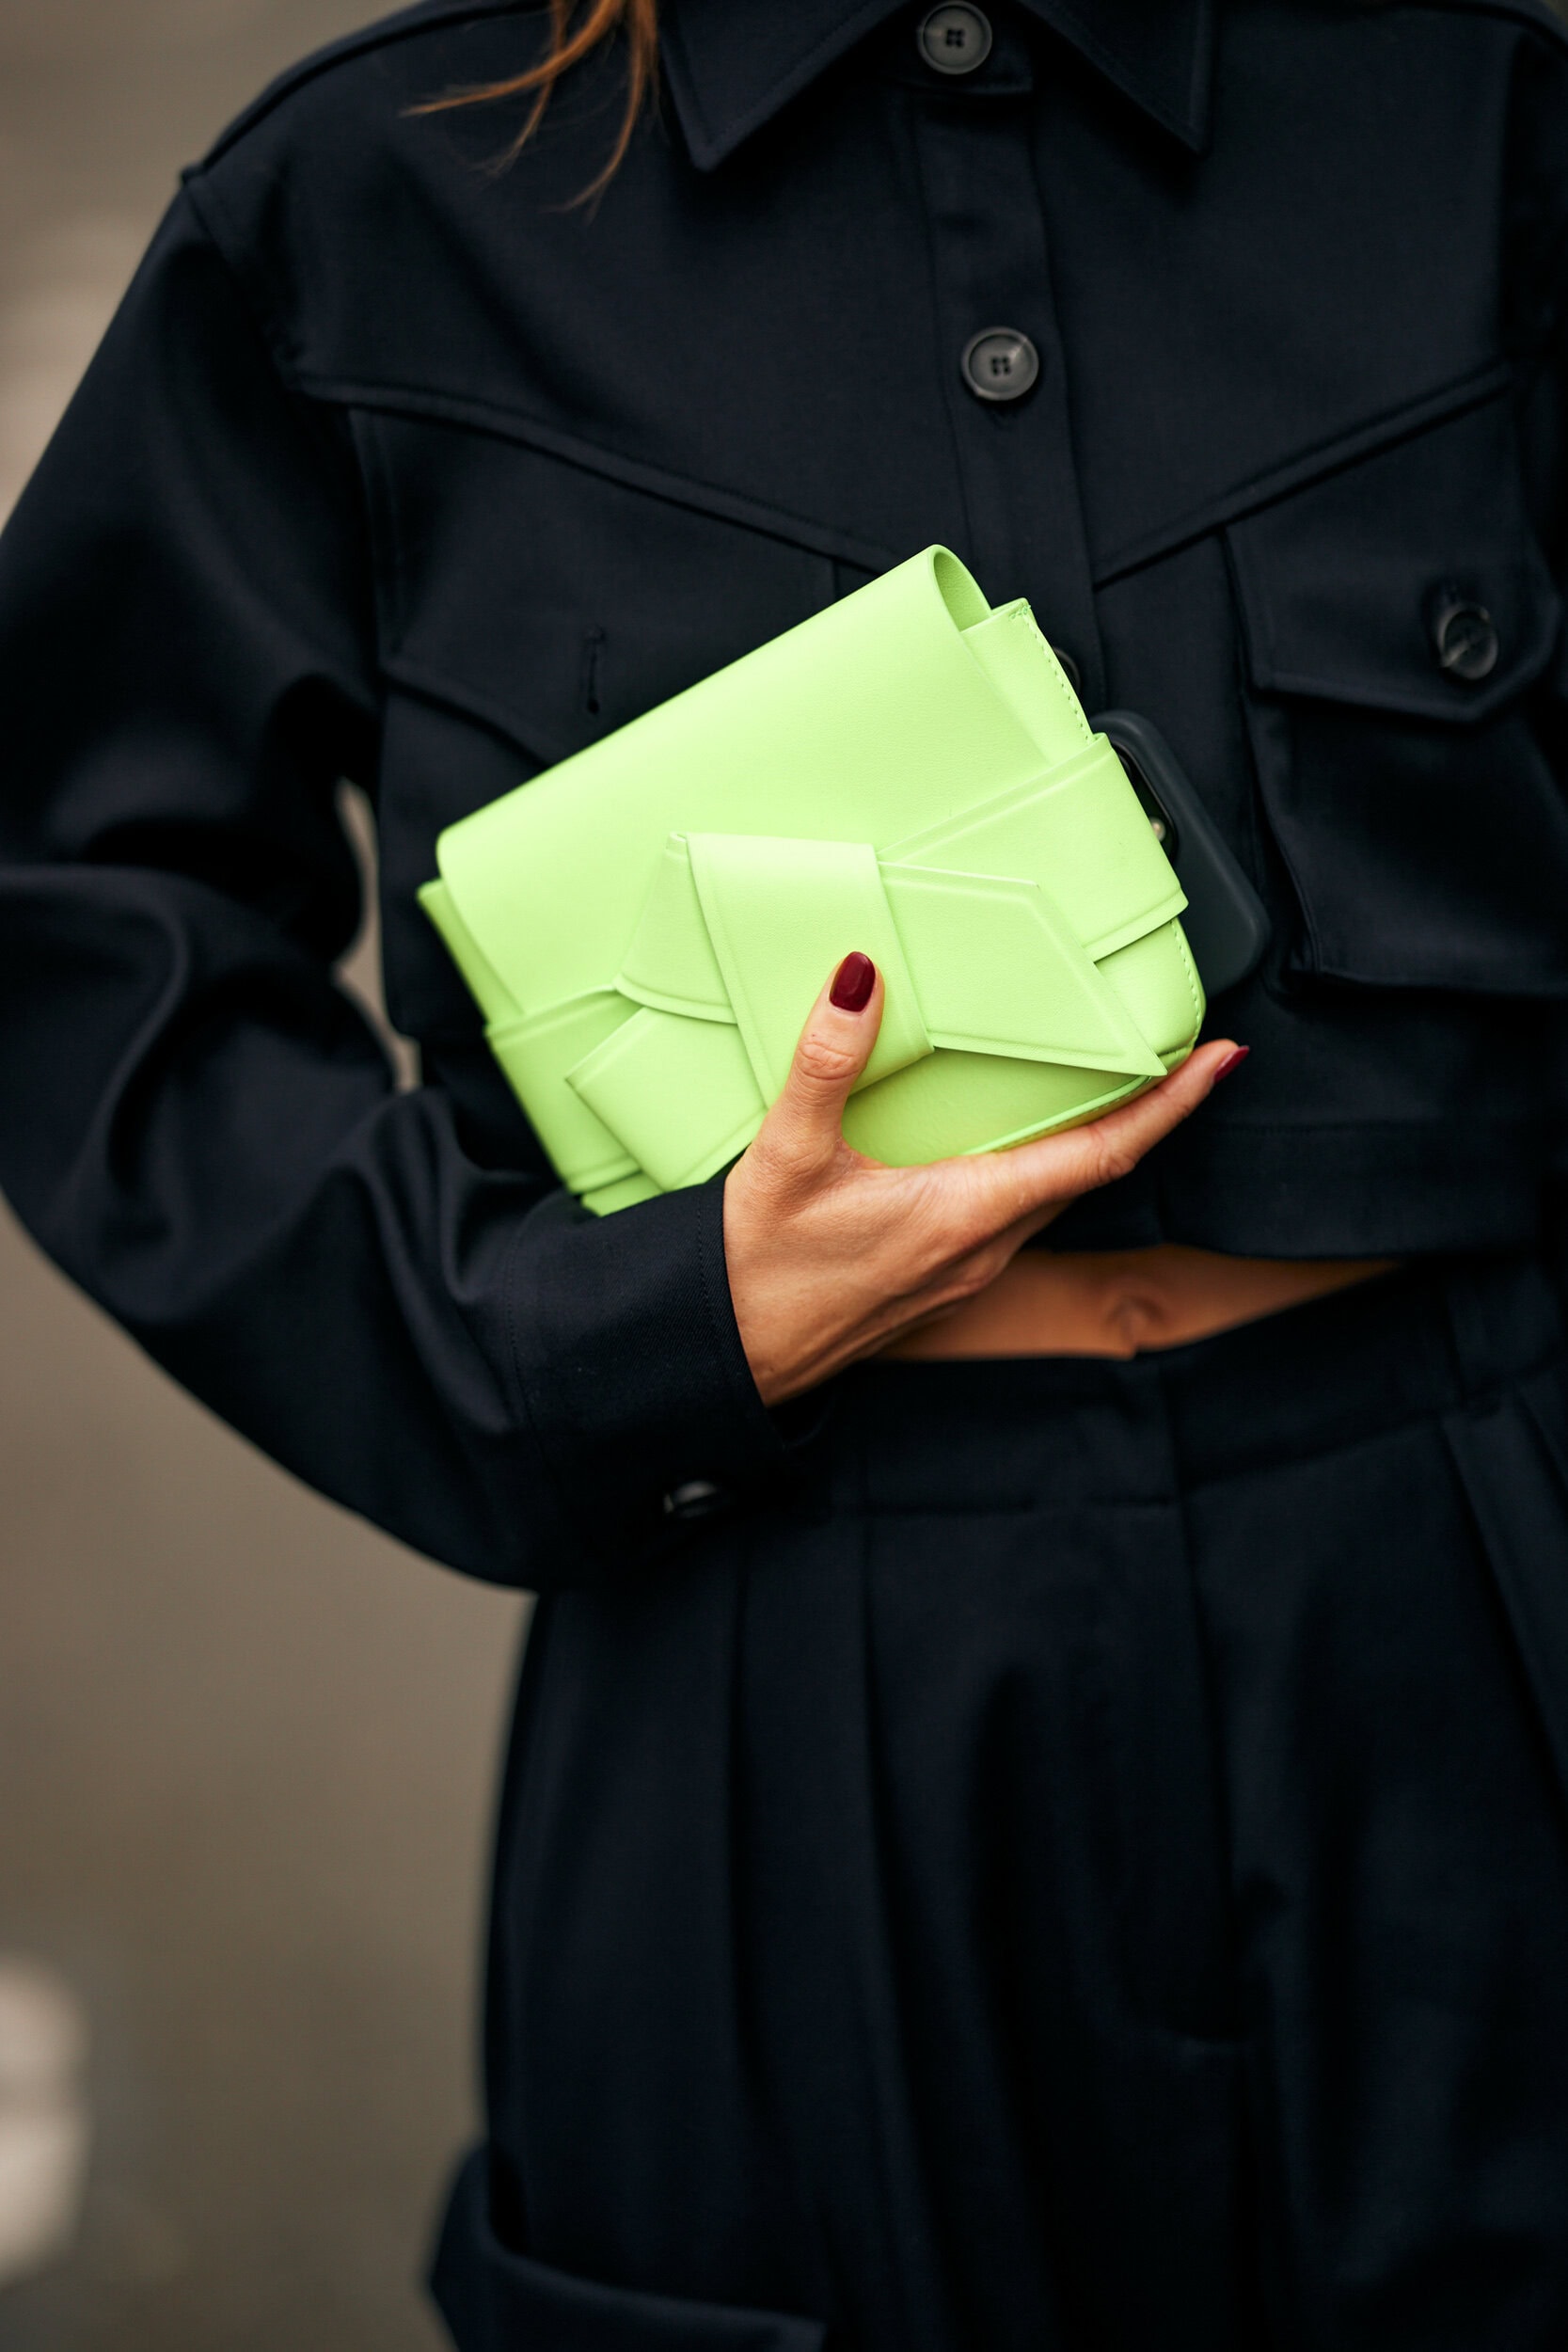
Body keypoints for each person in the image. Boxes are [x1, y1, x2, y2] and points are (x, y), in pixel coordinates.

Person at [2, 0, 1567, 2341]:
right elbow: (74, 911)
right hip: (781, 1644)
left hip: (1459, 1626)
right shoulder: (377, 201)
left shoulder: (1474, 114)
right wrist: (582, 1335)